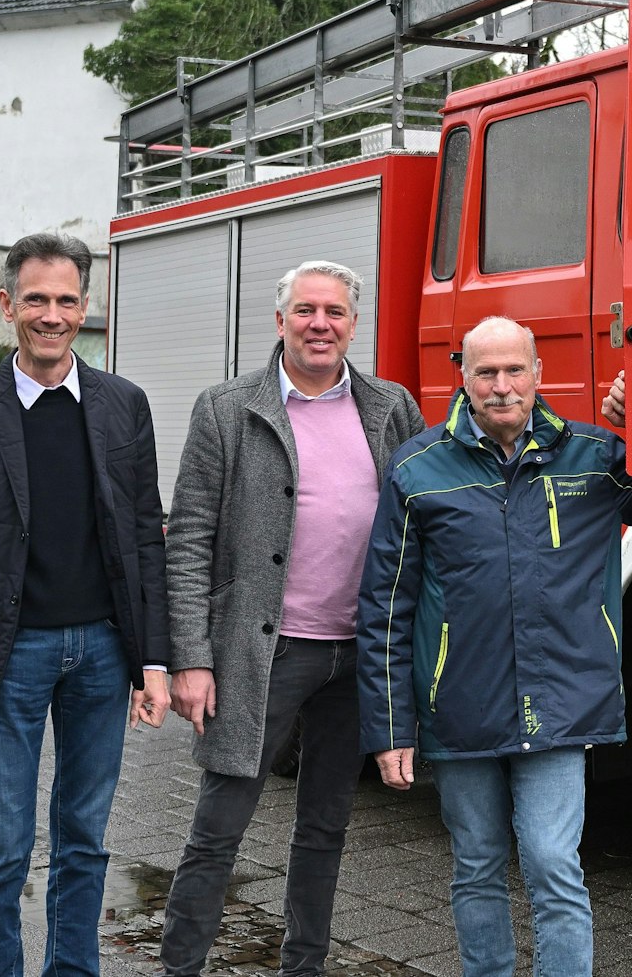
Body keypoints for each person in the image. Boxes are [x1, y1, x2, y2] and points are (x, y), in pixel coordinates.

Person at [355, 317, 632, 977]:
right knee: (478, 864)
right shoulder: (418, 470)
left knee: (552, 861)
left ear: (539, 374)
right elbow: (386, 604)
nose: (501, 385)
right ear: (463, 378)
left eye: (514, 369)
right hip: (460, 706)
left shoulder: (596, 457)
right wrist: (392, 726)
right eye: (486, 372)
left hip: (560, 704)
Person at [0, 231, 172, 977]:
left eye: (65, 300)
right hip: (3, 660)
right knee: (2, 845)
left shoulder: (124, 404)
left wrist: (153, 659)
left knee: (85, 837)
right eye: (35, 299)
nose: (51, 315)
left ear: (86, 308)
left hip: (102, 655)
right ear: (6, 305)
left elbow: (146, 541)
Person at [157, 261, 425, 977]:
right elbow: (186, 540)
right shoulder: (227, 409)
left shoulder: (391, 406)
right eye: (305, 310)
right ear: (279, 322)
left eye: (334, 312)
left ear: (352, 323)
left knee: (326, 828)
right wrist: (191, 656)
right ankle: (179, 967)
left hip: (355, 655)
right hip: (260, 654)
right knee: (218, 831)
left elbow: (425, 518)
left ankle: (302, 966)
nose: (319, 324)